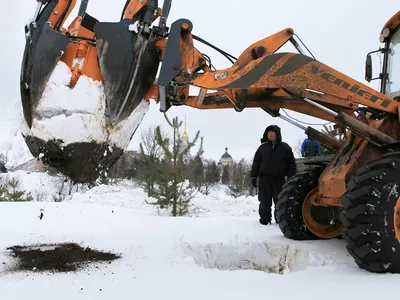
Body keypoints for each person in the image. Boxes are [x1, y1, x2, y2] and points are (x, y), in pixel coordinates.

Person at [250, 125, 297, 225]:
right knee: (264, 201)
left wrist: (291, 176)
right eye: (269, 132)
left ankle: (279, 220)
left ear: (277, 134)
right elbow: (256, 163)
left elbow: (291, 163)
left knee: (280, 201)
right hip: (264, 179)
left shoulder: (285, 148)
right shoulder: (262, 148)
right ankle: (264, 220)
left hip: (279, 179)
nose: (270, 134)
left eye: (273, 132)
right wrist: (254, 176)